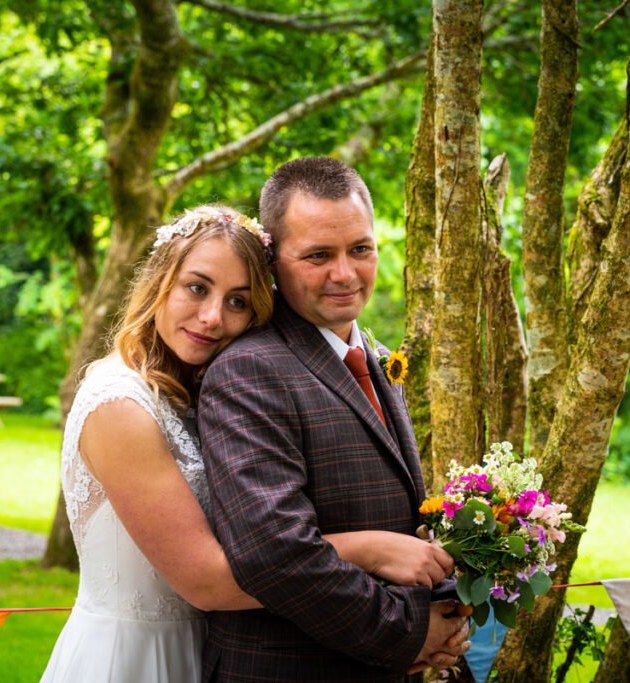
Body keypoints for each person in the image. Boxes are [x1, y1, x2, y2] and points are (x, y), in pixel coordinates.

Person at [40, 205, 460, 682]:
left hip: (205, 652)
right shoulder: (119, 405)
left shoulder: (194, 390)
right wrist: (367, 549)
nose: (213, 317)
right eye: (197, 288)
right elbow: (207, 581)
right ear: (160, 282)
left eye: (238, 301)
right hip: (135, 657)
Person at [198, 158, 472, 682]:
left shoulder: (373, 354)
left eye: (360, 250)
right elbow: (274, 554)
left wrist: (448, 608)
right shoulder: (249, 370)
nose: (345, 274)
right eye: (319, 255)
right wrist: (410, 631)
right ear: (272, 260)